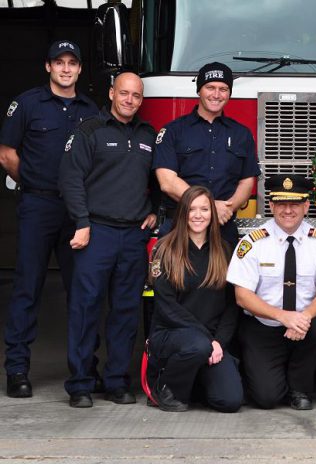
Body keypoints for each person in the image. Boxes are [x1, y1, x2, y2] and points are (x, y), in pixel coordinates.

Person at [0, 40, 99, 398]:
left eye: (73, 62)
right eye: (59, 62)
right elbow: (7, 153)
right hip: (38, 206)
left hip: (78, 212)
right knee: (28, 288)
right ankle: (17, 369)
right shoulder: (27, 104)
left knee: (82, 292)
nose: (66, 69)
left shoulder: (92, 110)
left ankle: (85, 368)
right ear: (48, 67)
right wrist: (33, 183)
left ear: (80, 69)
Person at [59, 72, 158, 408]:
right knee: (85, 308)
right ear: (112, 92)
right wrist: (82, 223)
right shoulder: (89, 130)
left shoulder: (147, 135)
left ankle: (117, 382)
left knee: (126, 311)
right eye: (124, 93)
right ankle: (81, 384)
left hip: (133, 235)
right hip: (95, 234)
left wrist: (155, 209)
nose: (130, 100)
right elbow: (71, 180)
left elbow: (158, 179)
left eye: (136, 96)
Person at [227, 174, 316, 410]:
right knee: (267, 399)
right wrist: (283, 316)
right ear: (271, 205)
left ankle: (299, 389)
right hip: (263, 327)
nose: (288, 211)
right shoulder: (253, 243)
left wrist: (302, 318)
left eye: (295, 204)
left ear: (306, 206)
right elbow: (242, 296)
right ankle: (273, 382)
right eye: (281, 204)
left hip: (304, 326)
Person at [148, 186, 243, 413]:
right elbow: (167, 306)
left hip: (210, 343)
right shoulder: (165, 249)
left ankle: (196, 382)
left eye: (204, 209)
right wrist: (207, 340)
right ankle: (167, 386)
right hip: (172, 334)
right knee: (198, 346)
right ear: (182, 213)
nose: (198, 215)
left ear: (212, 213)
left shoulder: (224, 250)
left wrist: (219, 342)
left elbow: (232, 306)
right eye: (191, 209)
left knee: (230, 401)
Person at [154, 62, 261, 245]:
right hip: (179, 227)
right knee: (173, 275)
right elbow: (167, 182)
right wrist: (210, 207)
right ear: (199, 90)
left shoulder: (241, 134)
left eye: (223, 89)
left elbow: (247, 182)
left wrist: (226, 208)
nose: (216, 94)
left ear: (229, 93)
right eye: (210, 87)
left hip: (223, 228)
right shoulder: (173, 131)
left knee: (224, 275)